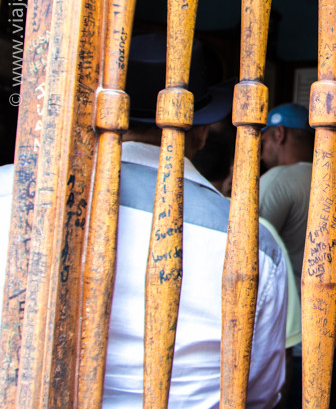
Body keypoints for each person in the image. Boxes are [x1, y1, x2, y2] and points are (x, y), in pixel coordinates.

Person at [0, 31, 288, 408]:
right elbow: (260, 393)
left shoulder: (12, 191)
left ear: (102, 116)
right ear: (201, 131)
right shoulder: (253, 242)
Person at [258, 102, 336, 408]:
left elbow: (245, 256)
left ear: (279, 133)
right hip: (327, 341)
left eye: (262, 141)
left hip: (283, 347)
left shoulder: (275, 182)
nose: (259, 151)